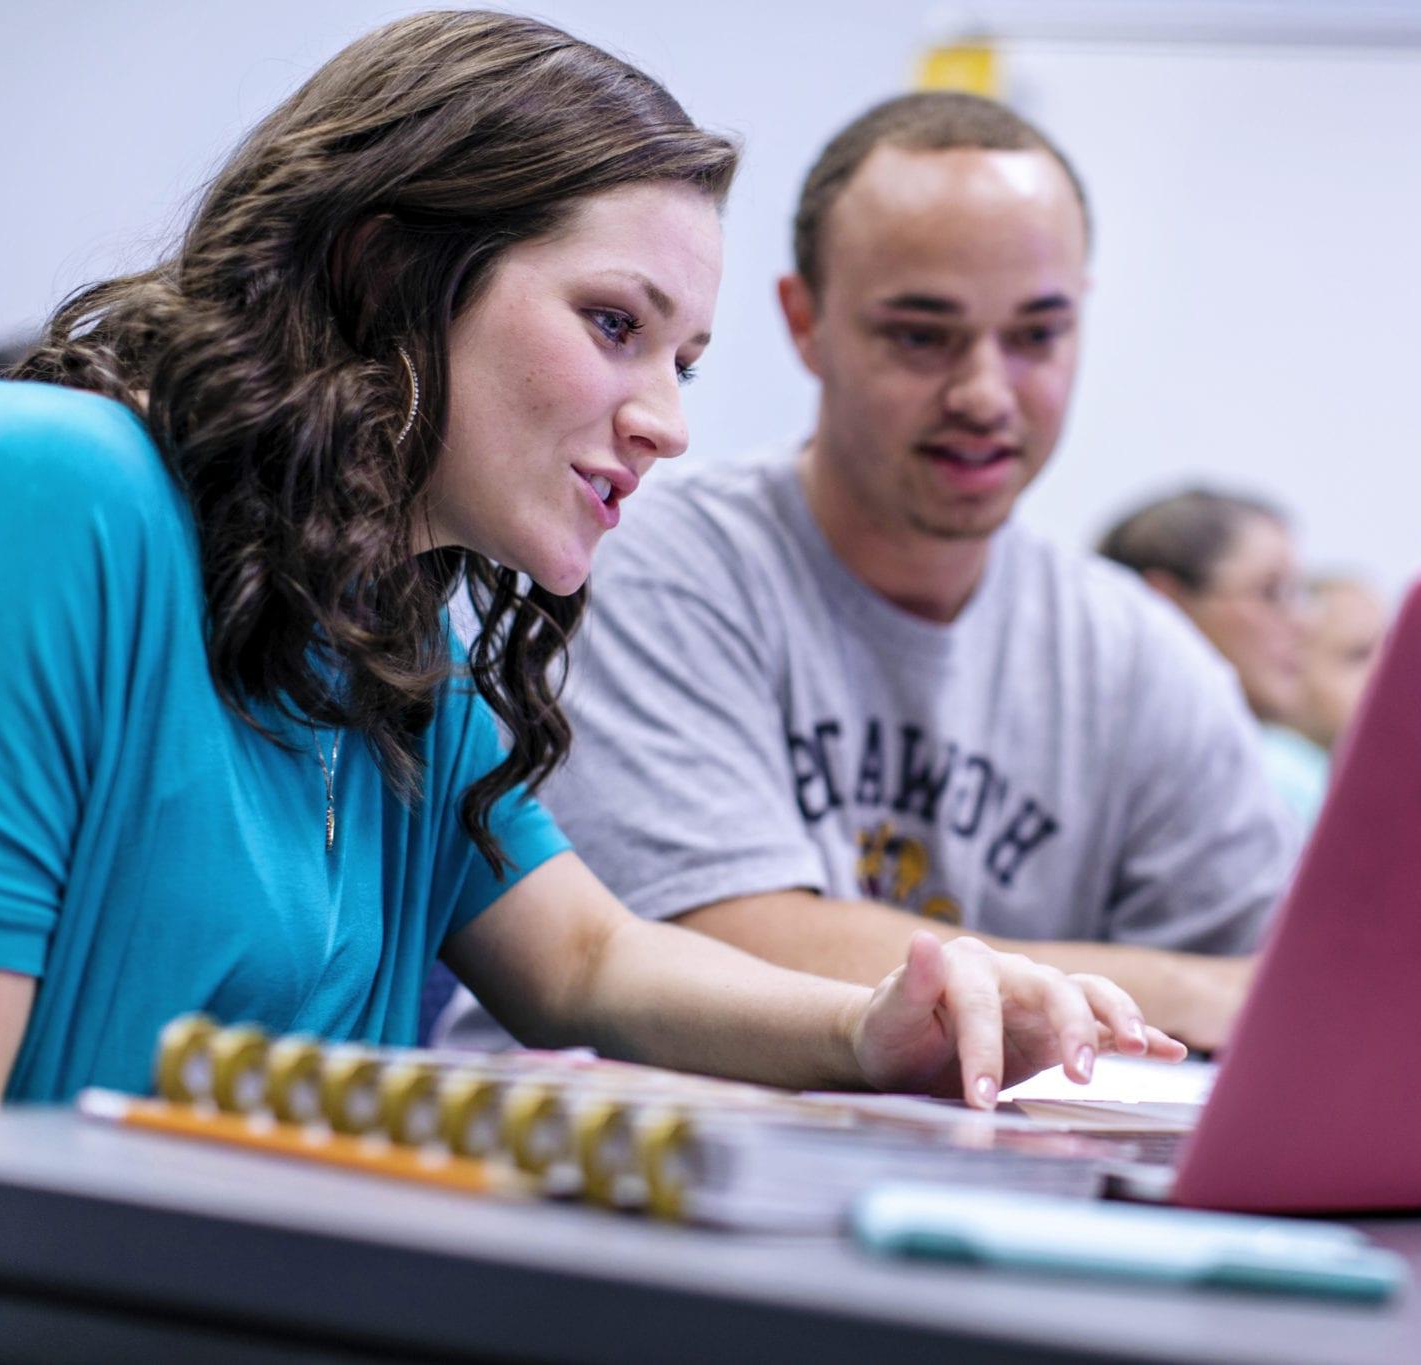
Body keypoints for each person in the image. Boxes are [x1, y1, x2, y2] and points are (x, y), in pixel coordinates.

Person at [0, 12, 1182, 1109]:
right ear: (382, 268)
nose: (666, 422)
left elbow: (587, 958)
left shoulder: (385, 627)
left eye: (686, 361)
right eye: (615, 326)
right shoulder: (59, 488)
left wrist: (873, 1028)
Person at [438, 93, 1292, 1056]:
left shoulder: (1142, 658)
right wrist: (1174, 989)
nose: (984, 392)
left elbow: (1280, 992)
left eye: (1036, 335)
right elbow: (721, 942)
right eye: (921, 337)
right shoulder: (636, 556)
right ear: (806, 322)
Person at [1096, 488, 1326, 827]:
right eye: (1271, 592)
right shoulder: (1099, 773)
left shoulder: (1292, 769)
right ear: (1165, 606)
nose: (1304, 623)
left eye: (1298, 594)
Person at [1295, 574, 1390, 754]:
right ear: (1290, 669)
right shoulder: (1272, 768)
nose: (1386, 672)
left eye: (1389, 649)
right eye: (1359, 654)